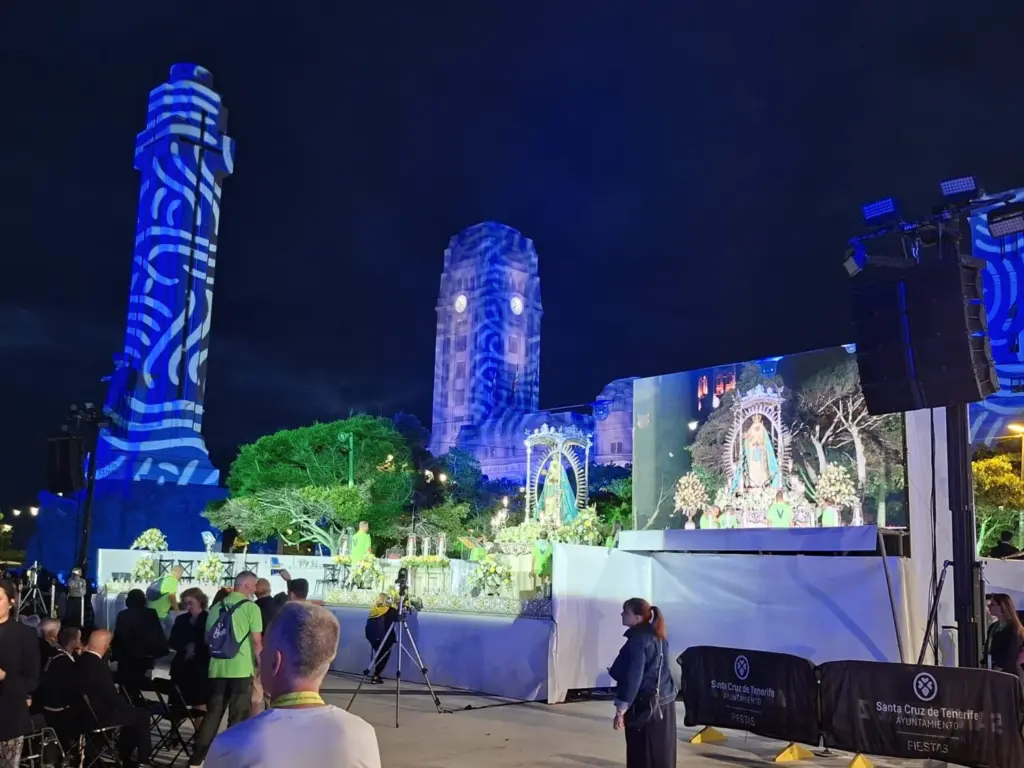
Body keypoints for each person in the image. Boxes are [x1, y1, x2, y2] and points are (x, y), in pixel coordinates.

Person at [204, 602, 381, 768]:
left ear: (275, 661)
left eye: (264, 649)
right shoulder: (362, 734)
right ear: (327, 660)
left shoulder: (231, 744)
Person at [189, 571, 264, 767]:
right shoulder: (251, 608)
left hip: (216, 669)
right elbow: (257, 642)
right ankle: (230, 761)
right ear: (247, 586)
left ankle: (196, 760)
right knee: (237, 718)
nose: (255, 590)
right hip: (240, 669)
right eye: (254, 586)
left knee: (212, 716)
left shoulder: (216, 608)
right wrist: (261, 669)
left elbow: (208, 639)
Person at [608, 597, 677, 768]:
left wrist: (621, 709)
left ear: (637, 618)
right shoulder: (658, 635)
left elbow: (634, 677)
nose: (622, 614)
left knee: (642, 754)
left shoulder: (638, 640)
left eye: (626, 611)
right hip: (664, 704)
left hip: (646, 708)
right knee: (661, 754)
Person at [73, 629, 152, 767]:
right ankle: (142, 759)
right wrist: (128, 708)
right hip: (98, 716)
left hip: (82, 713)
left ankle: (125, 754)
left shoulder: (79, 662)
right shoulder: (98, 667)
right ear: (106, 647)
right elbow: (111, 696)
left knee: (132, 715)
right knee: (141, 715)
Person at [0, 578, 40, 767]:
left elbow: (32, 680)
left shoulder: (25, 635)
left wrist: (4, 676)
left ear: (11, 602)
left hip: (9, 719)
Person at [112, 588, 169, 693]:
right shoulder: (150, 613)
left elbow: (119, 637)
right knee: (142, 684)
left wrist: (114, 655)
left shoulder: (123, 615)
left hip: (127, 658)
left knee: (126, 687)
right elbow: (157, 635)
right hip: (146, 657)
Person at [169, 587, 210, 707]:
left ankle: (200, 726)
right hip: (181, 666)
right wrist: (186, 646)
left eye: (190, 603)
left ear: (200, 601)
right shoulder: (181, 619)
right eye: (185, 603)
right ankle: (174, 725)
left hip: (200, 667)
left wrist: (195, 647)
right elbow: (172, 641)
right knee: (177, 702)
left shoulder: (208, 619)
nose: (188, 607)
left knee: (200, 702)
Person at [986, 593, 1024, 683]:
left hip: (1009, 674)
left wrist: (998, 667)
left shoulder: (1013, 628)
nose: (989, 607)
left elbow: (1011, 653)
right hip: (995, 672)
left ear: (1002, 607)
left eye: (992, 604)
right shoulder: (993, 627)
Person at [365, 594, 398, 684]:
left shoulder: (374, 610)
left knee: (378, 654)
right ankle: (376, 676)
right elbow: (397, 618)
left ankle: (375, 674)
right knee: (383, 656)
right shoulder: (389, 610)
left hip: (372, 637)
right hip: (385, 637)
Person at [146, 565, 183, 630]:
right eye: (181, 574)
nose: (181, 576)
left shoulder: (162, 578)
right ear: (178, 572)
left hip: (153, 608)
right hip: (159, 612)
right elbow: (172, 597)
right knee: (157, 631)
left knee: (170, 625)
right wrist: (177, 611)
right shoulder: (173, 580)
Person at [531, 530, 553, 597]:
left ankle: (543, 593)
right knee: (543, 580)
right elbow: (551, 558)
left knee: (543, 580)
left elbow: (533, 557)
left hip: (541, 567)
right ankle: (543, 593)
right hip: (543, 567)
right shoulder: (549, 546)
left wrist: (532, 568)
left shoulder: (537, 545)